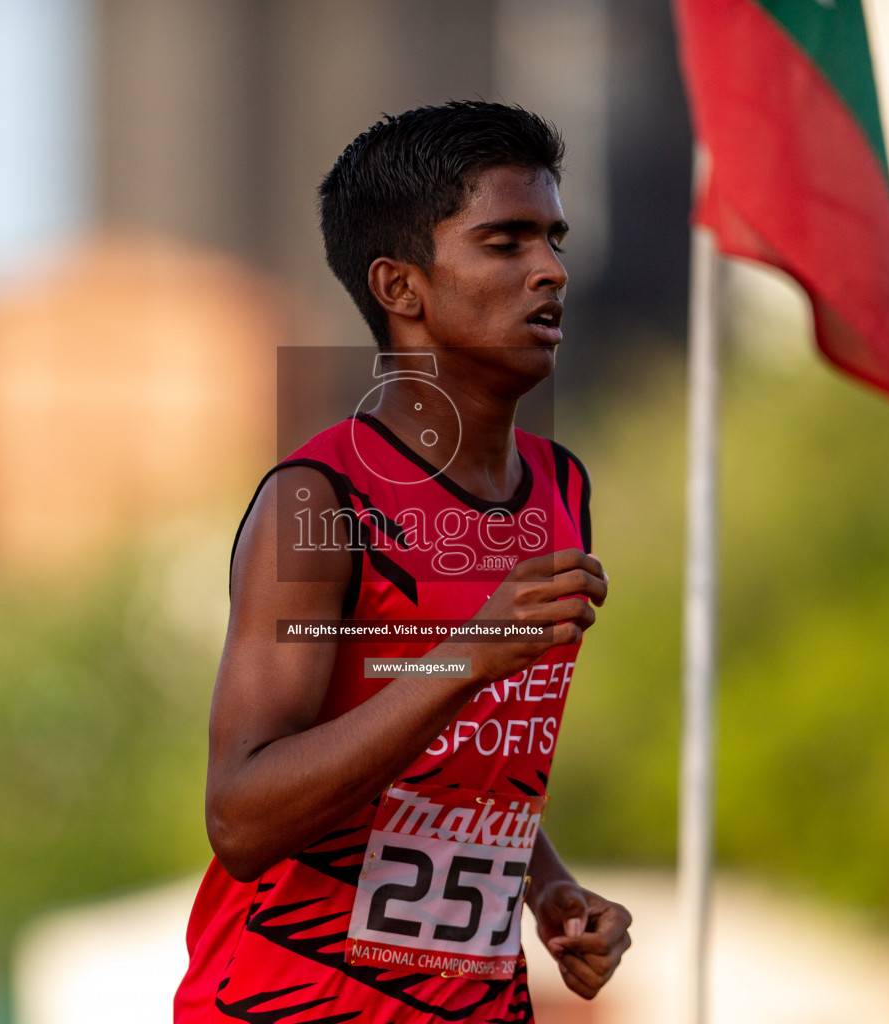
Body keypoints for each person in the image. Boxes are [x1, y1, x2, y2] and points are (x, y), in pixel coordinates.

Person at [174, 100, 631, 1023]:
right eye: (506, 243)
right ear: (400, 286)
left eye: (554, 238)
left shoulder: (562, 488)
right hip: (287, 1004)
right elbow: (241, 817)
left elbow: (457, 754)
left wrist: (547, 887)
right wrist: (465, 653)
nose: (551, 270)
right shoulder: (319, 500)